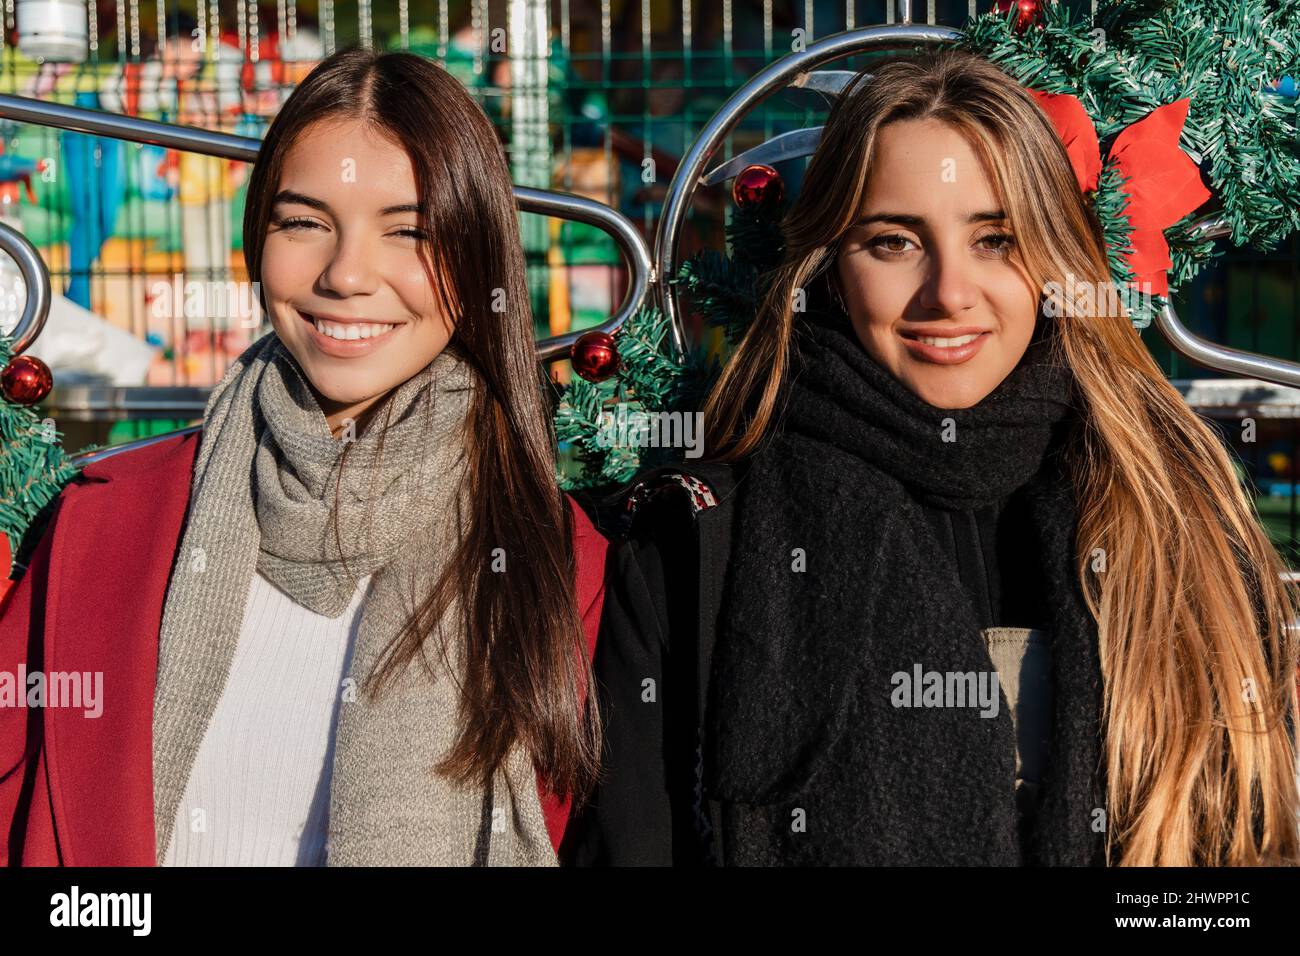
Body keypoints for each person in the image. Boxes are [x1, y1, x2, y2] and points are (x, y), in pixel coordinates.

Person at [563, 48, 1300, 867]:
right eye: (893, 242)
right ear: (831, 269)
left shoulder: (1180, 518)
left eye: (995, 239)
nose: (949, 291)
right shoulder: (699, 542)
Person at [0, 47, 607, 867]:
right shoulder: (104, 522)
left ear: (475, 256)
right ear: (258, 239)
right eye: (305, 222)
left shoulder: (561, 563)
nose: (347, 274)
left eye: (410, 231)